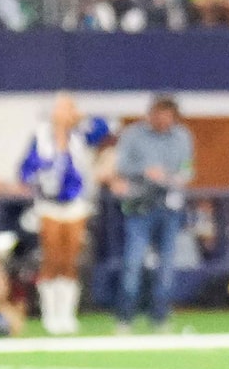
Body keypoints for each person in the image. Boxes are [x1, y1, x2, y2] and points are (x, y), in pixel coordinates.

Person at [16, 92, 109, 335]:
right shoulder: (41, 136)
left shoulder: (80, 135)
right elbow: (25, 169)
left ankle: (67, 313)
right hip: (49, 204)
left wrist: (82, 118)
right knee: (52, 258)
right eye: (61, 108)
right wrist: (42, 175)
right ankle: (50, 313)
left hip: (75, 203)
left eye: (69, 108)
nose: (64, 113)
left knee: (70, 260)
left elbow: (107, 126)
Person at [110, 93, 194, 334]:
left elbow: (188, 167)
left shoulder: (182, 136)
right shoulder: (133, 135)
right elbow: (122, 165)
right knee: (133, 263)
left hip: (169, 207)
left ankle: (160, 317)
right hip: (140, 205)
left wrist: (176, 177)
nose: (163, 120)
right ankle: (125, 318)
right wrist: (146, 171)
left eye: (168, 116)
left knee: (167, 265)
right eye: (159, 114)